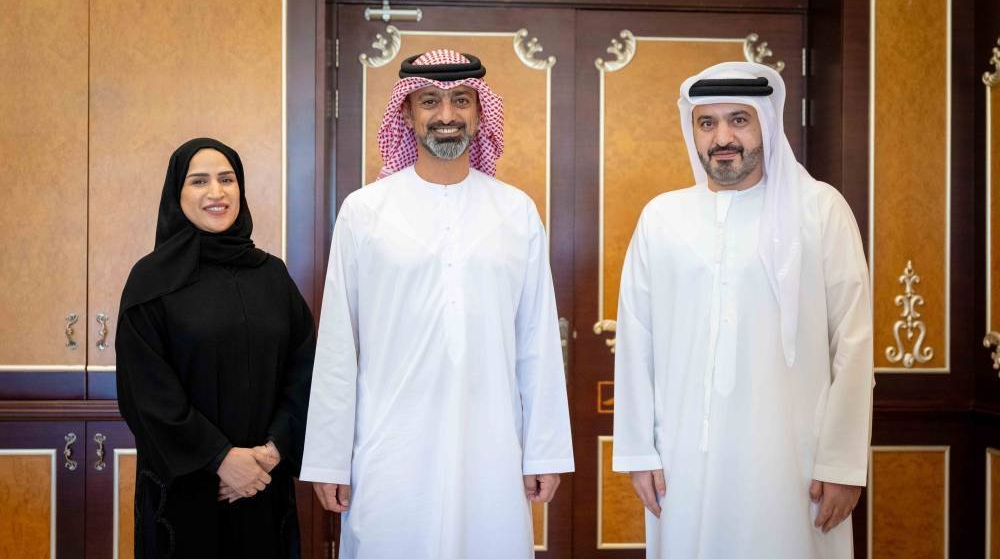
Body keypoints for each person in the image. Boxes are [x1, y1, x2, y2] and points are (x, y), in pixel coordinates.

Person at [300, 49, 574, 559]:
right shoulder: (364, 212)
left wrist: (545, 451)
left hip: (492, 446)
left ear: (480, 113)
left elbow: (536, 341)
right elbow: (338, 344)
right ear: (406, 114)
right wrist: (329, 458)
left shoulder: (515, 211)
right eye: (430, 101)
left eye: (461, 100)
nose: (446, 115)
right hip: (390, 446)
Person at [612, 62, 874, 558]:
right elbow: (635, 340)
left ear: (766, 124)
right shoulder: (662, 218)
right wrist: (638, 449)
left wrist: (841, 464)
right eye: (707, 123)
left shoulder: (820, 210)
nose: (722, 138)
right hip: (683, 458)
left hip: (794, 463)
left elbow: (854, 343)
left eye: (739, 120)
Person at [116, 137, 315, 559]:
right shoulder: (150, 281)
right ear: (177, 193)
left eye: (227, 179)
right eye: (199, 181)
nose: (216, 192)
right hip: (185, 491)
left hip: (264, 482)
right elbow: (146, 392)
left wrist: (272, 451)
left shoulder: (272, 276)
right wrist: (220, 459)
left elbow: (305, 371)